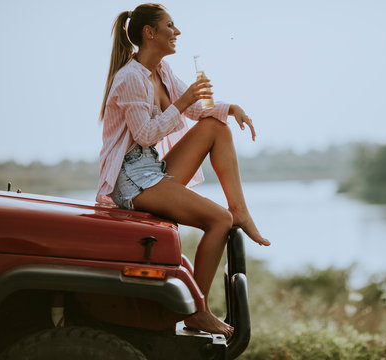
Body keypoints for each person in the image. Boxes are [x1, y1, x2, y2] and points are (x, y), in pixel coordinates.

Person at [96, 3, 270, 338]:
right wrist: (182, 101)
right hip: (131, 177)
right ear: (150, 33)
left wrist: (230, 108)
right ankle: (196, 312)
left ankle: (241, 209)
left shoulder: (162, 70)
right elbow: (145, 134)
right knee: (218, 221)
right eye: (171, 26)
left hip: (151, 167)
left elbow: (195, 114)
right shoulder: (130, 78)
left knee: (218, 128)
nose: (178, 32)